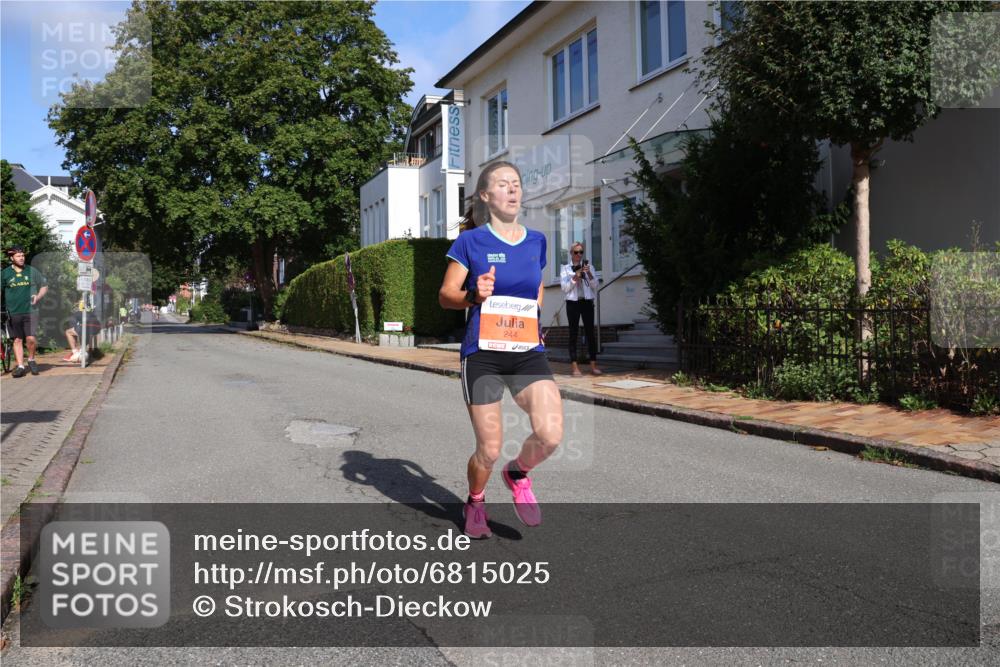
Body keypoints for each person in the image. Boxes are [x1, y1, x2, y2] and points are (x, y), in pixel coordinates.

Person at [439, 161, 564, 539]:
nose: (512, 190)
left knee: (551, 434)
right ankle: (475, 500)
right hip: (483, 354)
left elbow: (538, 286)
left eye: (517, 184)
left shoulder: (536, 241)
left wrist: (532, 315)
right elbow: (446, 296)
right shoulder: (470, 242)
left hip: (526, 351)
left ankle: (518, 473)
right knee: (489, 449)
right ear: (485, 196)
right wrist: (474, 294)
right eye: (503, 184)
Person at [2, 246, 47, 377]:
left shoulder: (31, 270)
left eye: (22, 255)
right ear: (12, 258)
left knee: (31, 338)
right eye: (18, 256)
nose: (21, 258)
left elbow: (44, 286)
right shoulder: (5, 274)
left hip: (31, 311)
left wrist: (38, 297)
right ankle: (21, 366)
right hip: (13, 312)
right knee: (17, 339)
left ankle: (31, 359)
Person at [560, 241, 602, 377]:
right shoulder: (565, 269)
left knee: (590, 333)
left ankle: (593, 366)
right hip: (573, 303)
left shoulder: (590, 267)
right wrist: (575, 276)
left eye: (581, 252)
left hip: (587, 302)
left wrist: (588, 273)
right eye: (576, 252)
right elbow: (565, 288)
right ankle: (574, 367)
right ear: (571, 253)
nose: (579, 255)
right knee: (573, 334)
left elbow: (595, 286)